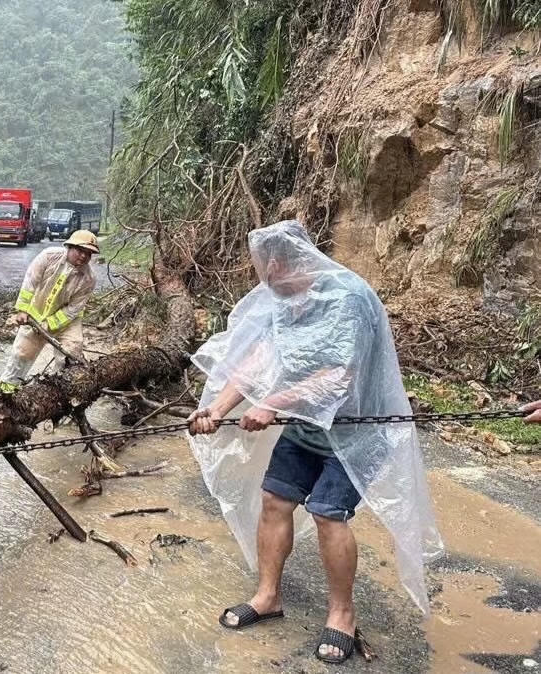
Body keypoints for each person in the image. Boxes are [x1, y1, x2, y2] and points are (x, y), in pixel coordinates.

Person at [188, 220, 443, 664]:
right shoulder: (287, 300)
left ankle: (341, 614)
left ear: (284, 262)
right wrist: (218, 408)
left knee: (328, 513)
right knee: (274, 499)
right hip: (308, 424)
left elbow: (340, 377)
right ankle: (268, 597)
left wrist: (271, 403)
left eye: (269, 276)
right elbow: (259, 357)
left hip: (358, 430)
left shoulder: (347, 296)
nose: (267, 287)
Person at [0, 230, 98, 392]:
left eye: (89, 253)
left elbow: (73, 309)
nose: (84, 256)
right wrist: (22, 310)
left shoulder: (89, 279)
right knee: (21, 355)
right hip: (35, 315)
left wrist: (50, 324)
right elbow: (30, 281)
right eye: (80, 250)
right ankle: (5, 392)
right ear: (70, 247)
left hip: (67, 322)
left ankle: (58, 392)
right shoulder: (49, 256)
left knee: (71, 353)